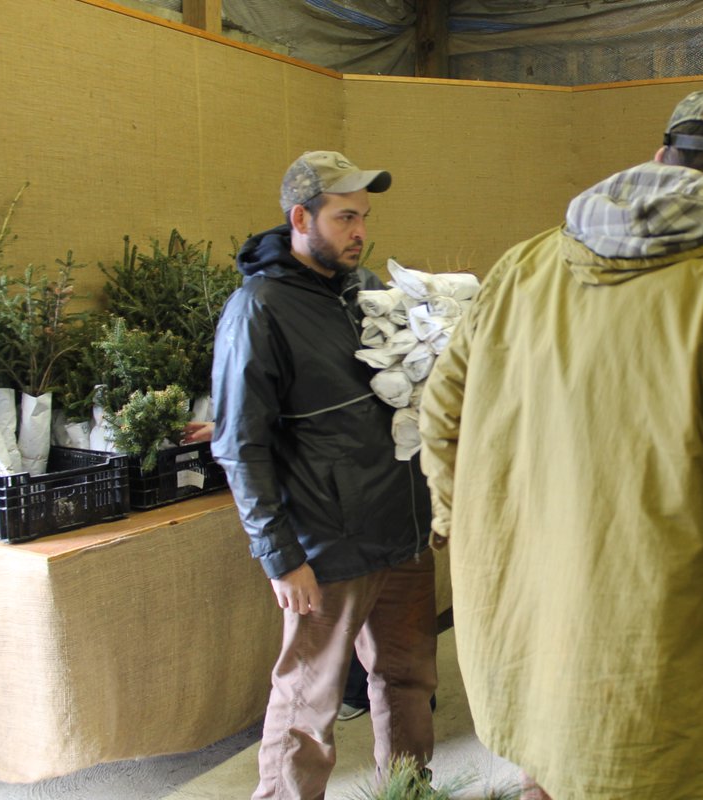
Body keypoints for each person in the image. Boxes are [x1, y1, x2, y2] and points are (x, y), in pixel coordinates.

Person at [419, 87, 703, 800]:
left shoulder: (523, 268)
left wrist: (480, 545)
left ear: (660, 158)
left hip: (527, 660)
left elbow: (441, 420)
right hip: (655, 685)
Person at [211, 150, 438, 799]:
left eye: (363, 216)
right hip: (327, 544)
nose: (359, 230)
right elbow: (238, 445)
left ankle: (408, 791)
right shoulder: (258, 310)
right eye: (344, 217)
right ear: (299, 218)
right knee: (308, 706)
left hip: (402, 531)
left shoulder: (369, 292)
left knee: (410, 681)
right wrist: (281, 556)